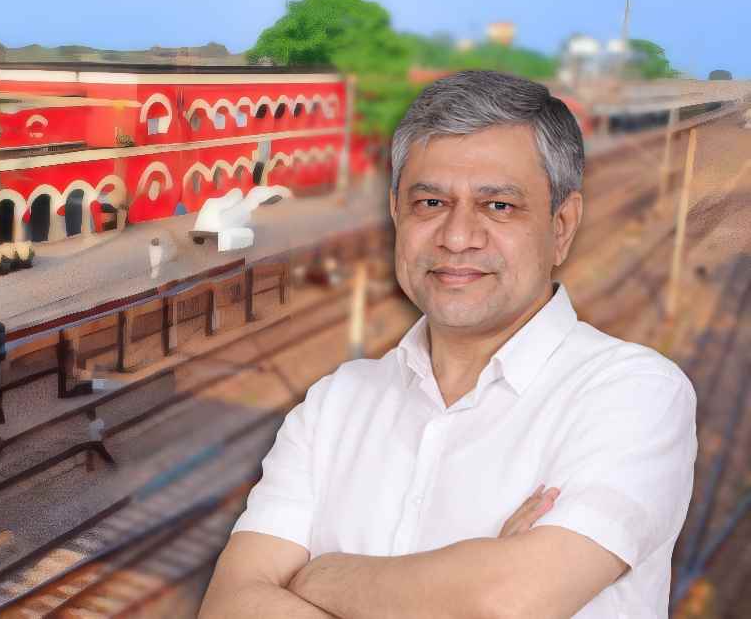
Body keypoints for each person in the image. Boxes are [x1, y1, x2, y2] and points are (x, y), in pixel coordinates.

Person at [201, 70, 698, 618]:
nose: (458, 237)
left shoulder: (634, 393)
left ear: (561, 226)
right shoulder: (333, 405)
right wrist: (459, 588)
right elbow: (228, 606)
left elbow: (502, 600)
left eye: (499, 207)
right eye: (431, 203)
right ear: (396, 213)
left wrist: (320, 578)